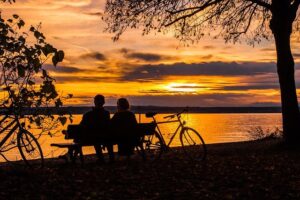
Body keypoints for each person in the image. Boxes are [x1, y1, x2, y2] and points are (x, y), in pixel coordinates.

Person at [79, 94, 114, 163]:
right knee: (105, 137)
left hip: (91, 138)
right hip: (105, 137)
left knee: (95, 137)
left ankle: (101, 158)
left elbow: (80, 127)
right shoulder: (107, 114)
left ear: (94, 102)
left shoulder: (88, 115)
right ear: (104, 103)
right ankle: (111, 158)